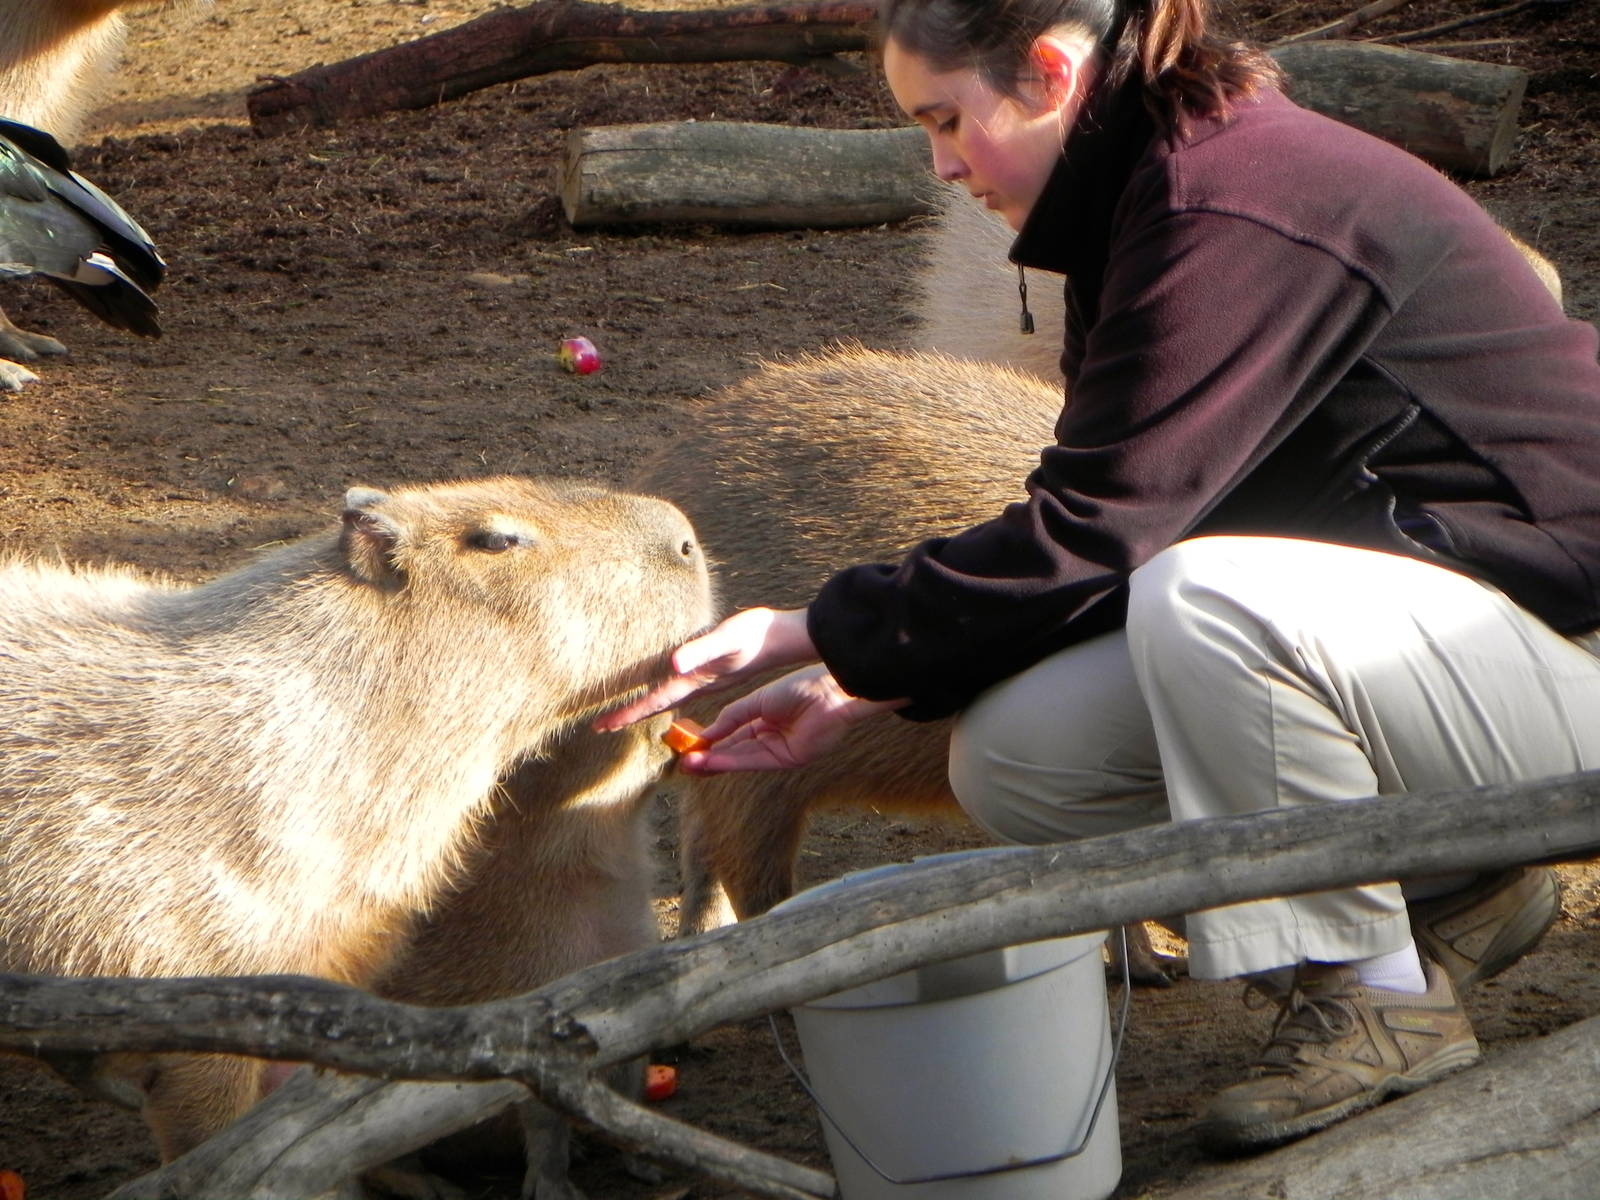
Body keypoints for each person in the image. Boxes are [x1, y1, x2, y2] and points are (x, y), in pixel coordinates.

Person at [599, 0, 1600, 1154]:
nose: (940, 162)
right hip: (1448, 651)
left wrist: (806, 632)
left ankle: (1372, 1004)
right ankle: (1453, 891)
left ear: (1047, 70)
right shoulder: (1143, 202)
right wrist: (861, 685)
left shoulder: (1235, 199)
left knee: (1211, 600)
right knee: (1022, 754)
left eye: (947, 119)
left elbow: (1106, 529)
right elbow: (1116, 527)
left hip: (1562, 650)